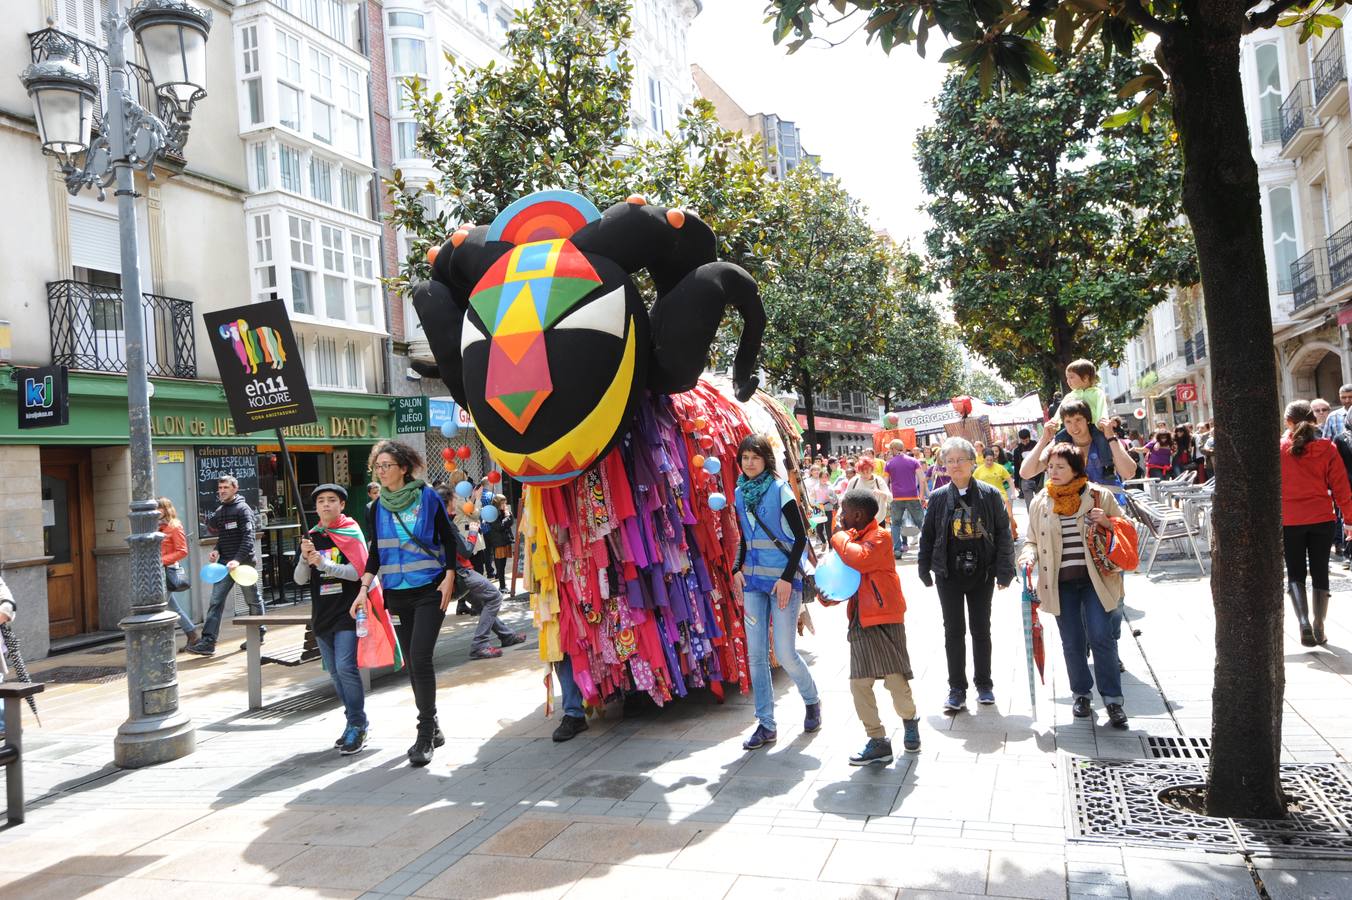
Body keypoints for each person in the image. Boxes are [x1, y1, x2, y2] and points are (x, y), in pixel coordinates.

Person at [354, 441, 523, 766]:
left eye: (387, 465)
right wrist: (364, 588)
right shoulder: (376, 508)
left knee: (420, 657)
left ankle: (424, 732)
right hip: (397, 594)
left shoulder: (426, 497)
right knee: (412, 665)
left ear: (403, 468)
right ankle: (434, 726)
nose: (381, 471)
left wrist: (448, 576)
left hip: (431, 589)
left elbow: (448, 538)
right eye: (378, 466)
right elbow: (376, 553)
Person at [1018, 443, 1130, 728]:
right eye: (1050, 466)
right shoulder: (1041, 501)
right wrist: (1028, 555)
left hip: (1096, 580)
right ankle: (1081, 694)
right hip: (1060, 583)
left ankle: (1113, 700)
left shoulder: (1097, 495)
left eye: (1060, 467)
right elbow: (1031, 538)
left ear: (1076, 469)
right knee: (1072, 641)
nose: (1053, 472)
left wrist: (1106, 520)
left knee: (1101, 636)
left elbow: (1124, 526)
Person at [732, 433, 821, 750]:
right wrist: (736, 569)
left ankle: (812, 700)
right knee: (756, 656)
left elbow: (800, 539)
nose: (750, 463)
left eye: (755, 457)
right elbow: (744, 538)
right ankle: (765, 724)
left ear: (766, 460)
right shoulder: (740, 493)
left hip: (783, 584)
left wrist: (786, 578)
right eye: (745, 458)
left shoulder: (780, 489)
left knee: (784, 653)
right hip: (754, 584)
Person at [917, 436, 1016, 712]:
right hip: (947, 574)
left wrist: (1005, 570)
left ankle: (984, 684)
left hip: (981, 573)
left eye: (961, 459)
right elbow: (928, 536)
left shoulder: (990, 494)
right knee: (953, 631)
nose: (956, 465)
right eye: (949, 461)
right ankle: (956, 688)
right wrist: (924, 569)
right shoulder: (937, 497)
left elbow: (1003, 533)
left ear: (973, 462)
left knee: (981, 629)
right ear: (943, 466)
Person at [831, 489, 920, 764]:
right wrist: (827, 596)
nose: (840, 517)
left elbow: (860, 559)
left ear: (857, 515)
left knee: (895, 680)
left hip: (885, 617)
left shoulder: (880, 537)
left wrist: (836, 535)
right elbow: (841, 579)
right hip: (860, 619)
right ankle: (877, 740)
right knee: (859, 684)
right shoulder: (852, 539)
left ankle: (910, 721)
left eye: (844, 512)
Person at [295, 484, 369, 755]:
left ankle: (358, 725)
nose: (326, 505)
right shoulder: (310, 536)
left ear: (342, 505)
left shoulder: (350, 532)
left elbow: (358, 572)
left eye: (331, 500)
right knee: (336, 673)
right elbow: (300, 580)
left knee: (346, 667)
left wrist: (324, 565)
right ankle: (352, 722)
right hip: (322, 614)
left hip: (347, 611)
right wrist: (305, 559)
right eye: (321, 501)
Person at [1281, 401, 1352, 646]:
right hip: (1322, 517)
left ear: (1288, 421)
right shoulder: (1327, 447)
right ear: (1313, 419)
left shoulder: (1279, 448)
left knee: (1295, 571)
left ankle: (1303, 622)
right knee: (1321, 570)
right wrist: (1350, 520)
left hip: (1290, 519)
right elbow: (1341, 487)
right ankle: (1320, 626)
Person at [188, 475, 264, 656]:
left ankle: (258, 634)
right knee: (215, 602)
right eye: (220, 488)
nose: (222, 491)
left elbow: (248, 538)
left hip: (243, 565)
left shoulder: (243, 509)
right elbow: (223, 536)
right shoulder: (221, 510)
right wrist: (216, 550)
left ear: (235, 489)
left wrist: (237, 560)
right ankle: (208, 643)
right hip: (224, 566)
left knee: (252, 600)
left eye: (225, 487)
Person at [1020, 400, 1137, 500]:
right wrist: (1044, 439)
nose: (1074, 427)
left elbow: (1129, 473)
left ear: (1087, 419)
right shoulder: (1059, 444)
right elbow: (1026, 473)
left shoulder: (1106, 439)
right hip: (1072, 514)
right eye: (1068, 422)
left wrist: (1111, 438)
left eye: (1078, 420)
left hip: (1108, 510)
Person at [157, 498, 200, 651]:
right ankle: (192, 634)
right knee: (172, 606)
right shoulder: (156, 527)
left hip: (168, 570)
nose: (156, 511)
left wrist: (162, 560)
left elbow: (182, 551)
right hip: (157, 572)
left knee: (159, 606)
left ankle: (159, 644)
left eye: (159, 508)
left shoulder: (174, 526)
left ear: (166, 509)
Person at [884, 439, 926, 558]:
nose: (889, 451)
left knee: (896, 524)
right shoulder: (914, 461)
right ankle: (928, 547)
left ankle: (897, 550)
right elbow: (922, 479)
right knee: (921, 523)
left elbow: (884, 482)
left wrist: (887, 498)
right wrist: (921, 496)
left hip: (896, 498)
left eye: (890, 448)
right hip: (912, 496)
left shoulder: (889, 464)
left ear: (893, 449)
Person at [973, 446, 1018, 541]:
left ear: (994, 459)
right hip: (986, 498)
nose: (989, 462)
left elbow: (1010, 480)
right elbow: (972, 484)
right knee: (991, 519)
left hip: (1002, 496)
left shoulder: (1000, 468)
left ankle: (1010, 537)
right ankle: (994, 539)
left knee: (1009, 516)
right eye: (987, 460)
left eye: (991, 460)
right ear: (983, 459)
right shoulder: (978, 471)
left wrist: (1013, 493)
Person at [1056, 360, 1108, 428]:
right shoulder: (1070, 396)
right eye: (1067, 378)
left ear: (1085, 378)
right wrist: (1055, 422)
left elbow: (1102, 409)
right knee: (1060, 437)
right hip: (1074, 426)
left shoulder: (1097, 393)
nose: (1068, 381)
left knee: (1100, 438)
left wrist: (1101, 423)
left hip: (1094, 426)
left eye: (1071, 377)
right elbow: (1060, 412)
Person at [846, 458, 890, 526]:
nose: (865, 474)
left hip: (878, 519)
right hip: (859, 521)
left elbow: (890, 498)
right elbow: (846, 498)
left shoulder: (878, 481)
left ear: (872, 470)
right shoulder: (854, 481)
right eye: (862, 472)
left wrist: (882, 493)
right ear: (858, 471)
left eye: (868, 472)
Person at [485, 494, 515, 593]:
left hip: (504, 540)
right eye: (503, 503)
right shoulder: (493, 513)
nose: (505, 504)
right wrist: (507, 517)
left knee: (503, 564)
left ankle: (503, 585)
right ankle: (502, 586)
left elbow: (511, 523)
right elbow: (499, 526)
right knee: (500, 565)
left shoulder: (503, 511)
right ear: (498, 503)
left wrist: (508, 515)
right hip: (498, 542)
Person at [1010, 428, 1043, 512]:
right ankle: (1032, 522)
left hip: (1038, 478)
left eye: (1026, 440)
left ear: (1029, 437)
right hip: (1025, 480)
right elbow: (1017, 467)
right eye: (1022, 441)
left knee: (1042, 503)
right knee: (1030, 505)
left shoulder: (1037, 446)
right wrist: (1016, 483)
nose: (1025, 443)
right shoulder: (1017, 450)